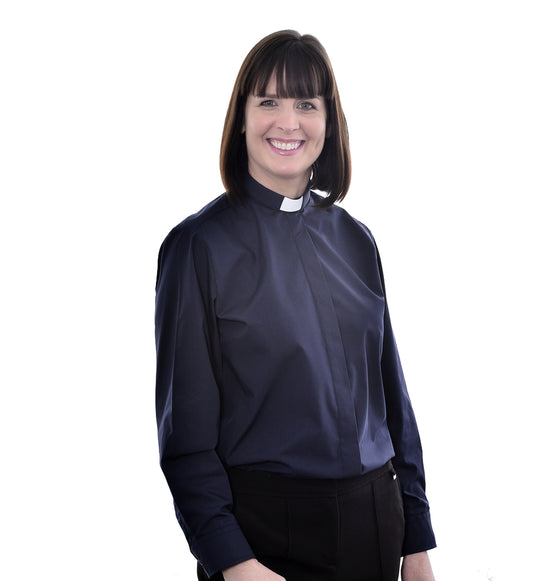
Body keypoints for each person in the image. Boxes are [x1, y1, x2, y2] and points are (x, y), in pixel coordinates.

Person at [155, 30, 436, 581]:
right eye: (268, 102)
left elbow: (393, 404)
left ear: (329, 122)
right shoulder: (198, 248)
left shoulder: (357, 240)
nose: (288, 122)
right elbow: (186, 440)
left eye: (307, 104)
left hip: (377, 524)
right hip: (265, 539)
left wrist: (417, 540)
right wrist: (234, 562)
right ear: (241, 118)